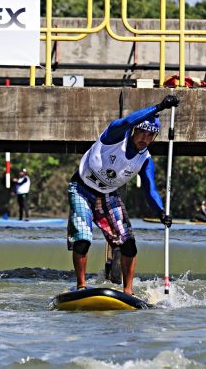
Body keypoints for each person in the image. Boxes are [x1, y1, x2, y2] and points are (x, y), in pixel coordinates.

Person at [67, 94, 180, 295]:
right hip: (82, 189)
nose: (144, 139)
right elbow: (127, 120)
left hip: (108, 195)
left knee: (128, 244)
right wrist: (159, 107)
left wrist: (161, 212)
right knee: (83, 240)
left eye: (150, 135)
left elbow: (150, 189)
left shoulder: (145, 160)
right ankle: (81, 286)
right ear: (134, 130)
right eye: (142, 133)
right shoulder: (115, 135)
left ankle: (128, 291)